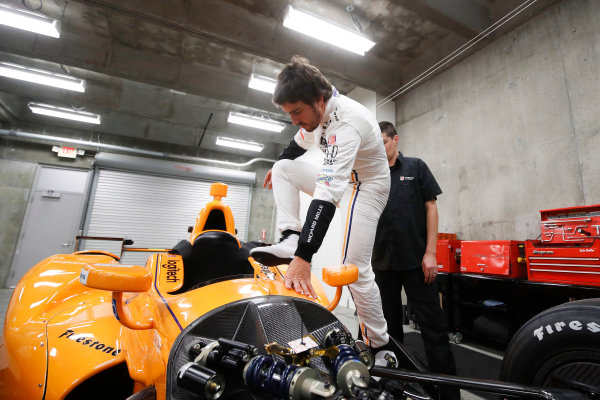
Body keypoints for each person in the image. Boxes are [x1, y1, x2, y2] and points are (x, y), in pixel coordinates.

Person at [250, 56, 394, 354]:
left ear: (318, 99)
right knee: (283, 168)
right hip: (348, 178)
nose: (293, 120)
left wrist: (304, 259)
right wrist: (276, 165)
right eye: (289, 113)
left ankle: (379, 345)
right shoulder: (316, 113)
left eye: (296, 112)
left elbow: (326, 195)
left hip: (369, 186)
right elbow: (296, 144)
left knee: (355, 268)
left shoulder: (346, 122)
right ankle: (289, 237)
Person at [373, 121, 459, 399]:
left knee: (433, 329)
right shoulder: (370, 174)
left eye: (383, 142)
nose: (379, 148)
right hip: (382, 265)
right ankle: (396, 389)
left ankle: (447, 394)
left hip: (416, 262)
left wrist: (430, 252)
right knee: (387, 331)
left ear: (395, 139)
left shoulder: (415, 167)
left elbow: (431, 208)